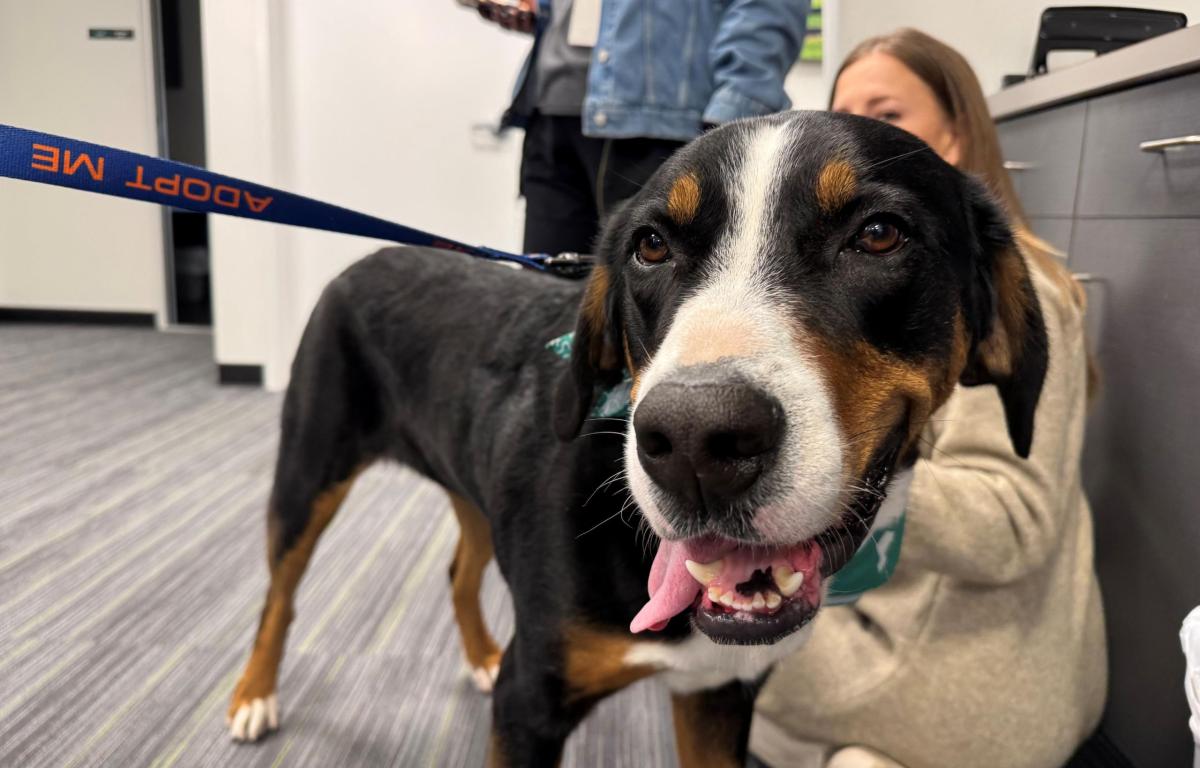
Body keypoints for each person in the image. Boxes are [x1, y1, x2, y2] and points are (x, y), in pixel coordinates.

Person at [749, 28, 1107, 768]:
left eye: (888, 116)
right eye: (844, 116)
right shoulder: (826, 289)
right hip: (908, 622)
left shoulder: (1009, 288)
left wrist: (821, 453)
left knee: (709, 662)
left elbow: (1011, 522)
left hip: (969, 673)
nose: (857, 137)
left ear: (957, 133)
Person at [473, 0, 809, 255]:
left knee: (655, 313)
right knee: (546, 302)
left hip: (666, 130)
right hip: (550, 110)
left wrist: (732, 120)